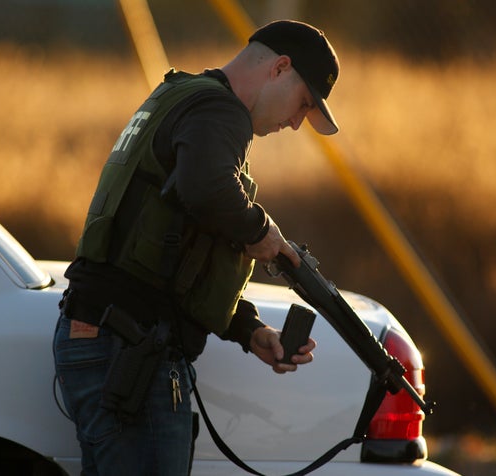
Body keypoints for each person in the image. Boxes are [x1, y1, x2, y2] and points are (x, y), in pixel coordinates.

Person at [53, 19, 340, 476]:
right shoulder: (221, 112)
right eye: (303, 104)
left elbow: (176, 251)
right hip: (128, 347)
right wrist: (260, 231)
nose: (295, 123)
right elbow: (205, 188)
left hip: (106, 338)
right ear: (280, 68)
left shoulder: (182, 96)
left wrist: (249, 330)